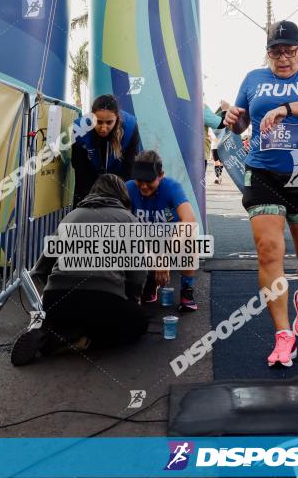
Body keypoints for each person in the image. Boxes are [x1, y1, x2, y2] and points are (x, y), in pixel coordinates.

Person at [225, 19, 298, 368]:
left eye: (289, 50)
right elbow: (242, 121)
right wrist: (233, 118)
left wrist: (285, 108)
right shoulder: (253, 79)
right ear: (268, 53)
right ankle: (283, 335)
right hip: (262, 172)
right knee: (269, 252)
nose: (283, 58)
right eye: (276, 51)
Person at [11, 175, 149, 366]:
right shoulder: (129, 220)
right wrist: (133, 301)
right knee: (139, 324)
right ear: (122, 197)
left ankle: (53, 331)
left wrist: (55, 290)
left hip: (56, 300)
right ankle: (81, 340)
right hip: (103, 301)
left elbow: (41, 269)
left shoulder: (70, 217)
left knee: (74, 315)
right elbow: (137, 275)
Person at [126, 150, 199, 311]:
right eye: (140, 180)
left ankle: (187, 290)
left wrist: (165, 256)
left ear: (161, 176)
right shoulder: (129, 188)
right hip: (141, 243)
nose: (144, 186)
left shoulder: (172, 187)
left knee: (190, 236)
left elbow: (189, 219)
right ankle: (147, 283)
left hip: (168, 242)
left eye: (149, 181)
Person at [72, 94, 142, 206]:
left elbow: (130, 169)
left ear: (117, 119)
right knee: (83, 201)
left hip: (120, 171)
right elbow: (80, 172)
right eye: (99, 122)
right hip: (91, 170)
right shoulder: (79, 129)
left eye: (109, 122)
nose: (103, 128)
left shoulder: (130, 127)